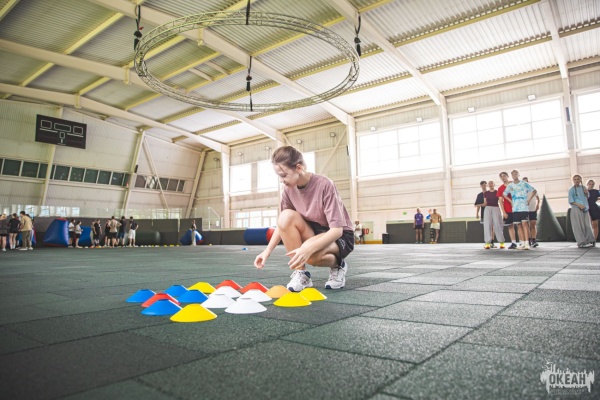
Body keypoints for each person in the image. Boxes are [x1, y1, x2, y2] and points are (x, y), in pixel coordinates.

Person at [254, 146, 354, 292]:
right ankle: (302, 273)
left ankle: (339, 265)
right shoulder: (288, 190)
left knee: (311, 255)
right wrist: (267, 251)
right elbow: (283, 224)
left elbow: (337, 231)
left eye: (284, 175)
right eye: (279, 176)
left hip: (339, 235)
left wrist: (307, 248)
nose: (281, 180)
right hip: (314, 232)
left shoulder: (325, 185)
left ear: (299, 168)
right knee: (285, 215)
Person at [503, 170, 536, 250]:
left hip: (524, 207)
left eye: (516, 174)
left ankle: (527, 243)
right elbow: (504, 194)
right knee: (519, 225)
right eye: (513, 174)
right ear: (511, 176)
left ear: (518, 175)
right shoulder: (510, 185)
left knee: (525, 224)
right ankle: (522, 243)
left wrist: (529, 200)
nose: (514, 175)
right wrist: (511, 201)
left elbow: (534, 190)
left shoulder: (524, 183)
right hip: (515, 208)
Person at [569, 175, 595, 248]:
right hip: (576, 209)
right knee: (578, 226)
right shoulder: (571, 189)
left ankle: (590, 240)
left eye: (578, 179)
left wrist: (586, 193)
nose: (576, 181)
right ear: (573, 181)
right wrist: (579, 205)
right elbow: (571, 201)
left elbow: (587, 197)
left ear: (581, 180)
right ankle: (581, 242)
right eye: (575, 179)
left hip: (585, 209)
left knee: (587, 225)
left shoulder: (584, 188)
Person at [481, 180, 505, 249]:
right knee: (487, 225)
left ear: (494, 184)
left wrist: (504, 211)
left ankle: (501, 242)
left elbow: (501, 201)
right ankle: (487, 243)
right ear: (488, 185)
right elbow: (485, 203)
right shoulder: (486, 193)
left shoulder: (497, 192)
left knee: (497, 224)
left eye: (492, 183)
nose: (490, 184)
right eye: (489, 183)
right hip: (487, 208)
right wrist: (479, 205)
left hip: (496, 208)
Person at [498, 171, 518, 249]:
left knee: (521, 225)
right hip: (508, 210)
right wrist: (504, 212)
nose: (503, 178)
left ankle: (524, 242)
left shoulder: (514, 184)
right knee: (510, 226)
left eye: (504, 176)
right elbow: (500, 201)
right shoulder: (500, 188)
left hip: (518, 208)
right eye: (501, 177)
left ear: (507, 176)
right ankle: (513, 243)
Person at [522, 177, 540, 247]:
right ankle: (528, 240)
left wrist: (538, 204)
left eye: (526, 181)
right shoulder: (520, 190)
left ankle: (534, 240)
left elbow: (538, 198)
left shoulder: (533, 189)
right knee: (526, 225)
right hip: (524, 209)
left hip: (532, 209)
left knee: (533, 224)